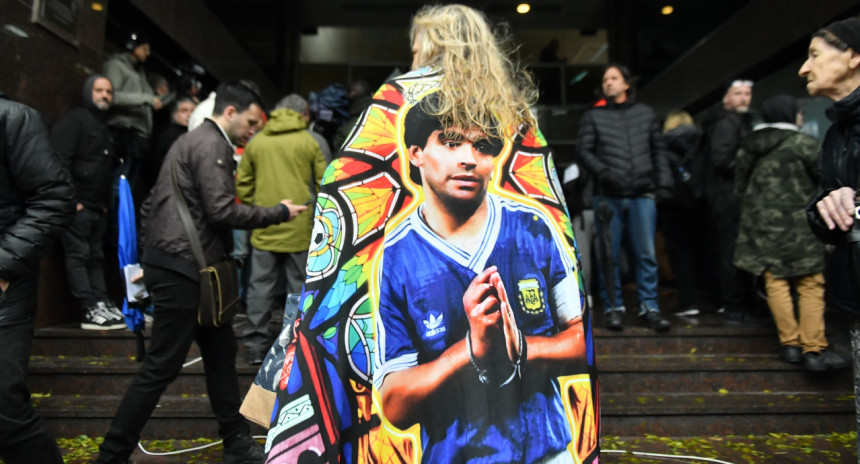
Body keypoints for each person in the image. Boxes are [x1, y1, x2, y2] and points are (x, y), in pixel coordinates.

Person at [369, 6, 594, 462]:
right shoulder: (397, 254)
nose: (469, 158)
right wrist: (471, 350)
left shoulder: (530, 224)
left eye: (483, 145)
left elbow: (580, 338)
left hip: (545, 448)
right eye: (451, 142)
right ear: (415, 153)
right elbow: (392, 403)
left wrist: (520, 348)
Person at [93, 81, 308, 464]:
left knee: (220, 355)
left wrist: (148, 259)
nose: (253, 130)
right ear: (230, 112)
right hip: (186, 272)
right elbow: (221, 210)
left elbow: (150, 206)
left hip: (181, 267)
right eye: (251, 122)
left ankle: (236, 443)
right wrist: (278, 212)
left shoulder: (189, 142)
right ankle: (112, 453)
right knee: (162, 366)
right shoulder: (212, 145)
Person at [734, 94, 848, 371]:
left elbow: (739, 187)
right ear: (788, 114)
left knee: (776, 281)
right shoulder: (803, 143)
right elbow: (826, 181)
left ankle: (790, 345)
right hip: (799, 227)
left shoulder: (750, 146)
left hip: (762, 226)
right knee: (810, 283)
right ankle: (814, 348)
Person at [0, 95, 75, 464]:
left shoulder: (15, 118)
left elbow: (54, 199)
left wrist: (2, 268)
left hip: (5, 288)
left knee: (4, 408)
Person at [576, 63, 673, 331]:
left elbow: (659, 151)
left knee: (646, 254)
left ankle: (650, 307)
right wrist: (603, 172)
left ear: (626, 84)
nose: (608, 82)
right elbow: (583, 150)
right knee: (608, 255)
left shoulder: (645, 114)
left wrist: (664, 184)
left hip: (642, 193)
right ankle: (613, 307)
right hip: (608, 195)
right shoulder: (593, 116)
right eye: (605, 79)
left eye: (614, 78)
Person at [237, 93, 327, 365]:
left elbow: (243, 184)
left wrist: (257, 208)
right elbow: (326, 184)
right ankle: (294, 347)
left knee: (259, 287)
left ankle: (255, 346)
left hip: (264, 226)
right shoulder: (312, 141)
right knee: (298, 288)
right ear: (304, 115)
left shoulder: (256, 141)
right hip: (301, 229)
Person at [801, 18, 860, 369]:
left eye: (814, 55)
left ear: (853, 56)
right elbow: (824, 206)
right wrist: (826, 207)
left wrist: (855, 199)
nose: (804, 68)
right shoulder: (836, 133)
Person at [51, 75, 126, 330]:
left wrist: (103, 205)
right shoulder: (74, 121)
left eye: (108, 91)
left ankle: (101, 302)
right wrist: (73, 201)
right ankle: (89, 306)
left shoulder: (103, 126)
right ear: (87, 92)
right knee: (79, 255)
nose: (104, 95)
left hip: (96, 206)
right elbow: (59, 162)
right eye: (99, 90)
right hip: (77, 205)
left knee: (94, 257)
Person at [700, 79, 764, 324]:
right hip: (727, 195)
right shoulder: (726, 123)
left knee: (733, 249)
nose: (744, 98)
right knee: (732, 250)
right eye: (738, 93)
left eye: (747, 93)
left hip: (729, 193)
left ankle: (738, 303)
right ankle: (735, 305)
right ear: (725, 97)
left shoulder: (735, 121)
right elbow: (722, 159)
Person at [103, 32, 166, 188]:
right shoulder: (116, 65)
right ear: (133, 46)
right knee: (118, 184)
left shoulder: (139, 72)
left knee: (128, 185)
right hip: (123, 131)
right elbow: (112, 96)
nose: (147, 53)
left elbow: (149, 95)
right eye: (144, 48)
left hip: (138, 136)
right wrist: (145, 99)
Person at [659, 111, 706, 316]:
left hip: (673, 205)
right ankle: (713, 299)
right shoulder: (701, 143)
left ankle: (689, 302)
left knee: (679, 254)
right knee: (705, 251)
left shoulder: (662, 145)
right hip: (701, 203)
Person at [144, 96, 197, 189]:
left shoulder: (196, 136)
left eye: (193, 111)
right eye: (184, 111)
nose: (189, 115)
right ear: (174, 114)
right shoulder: (167, 136)